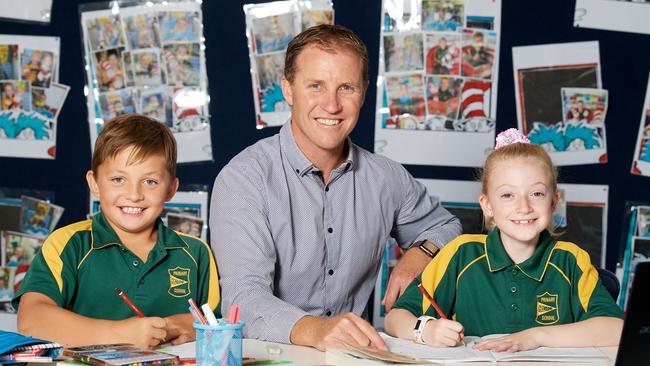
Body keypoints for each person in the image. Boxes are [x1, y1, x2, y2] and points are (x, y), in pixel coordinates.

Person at [210, 24, 461, 351]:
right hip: (274, 356)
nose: (331, 105)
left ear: (364, 91)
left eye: (346, 88)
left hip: (357, 357)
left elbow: (447, 225)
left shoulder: (387, 177)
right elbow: (242, 297)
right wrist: (316, 330)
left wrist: (421, 252)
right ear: (288, 89)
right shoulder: (243, 179)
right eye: (315, 85)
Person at [385, 128, 623, 351]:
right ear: (487, 206)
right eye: (508, 195)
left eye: (537, 193)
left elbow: (616, 328)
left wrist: (536, 336)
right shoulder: (460, 254)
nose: (524, 207)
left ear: (553, 203)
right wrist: (426, 330)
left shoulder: (571, 259)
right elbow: (395, 319)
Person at [13, 114, 220, 349]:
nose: (134, 194)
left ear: (171, 189)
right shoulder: (69, 244)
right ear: (94, 184)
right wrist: (120, 333)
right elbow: (31, 321)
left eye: (150, 181)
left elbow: (221, 322)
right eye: (118, 179)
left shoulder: (196, 252)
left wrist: (185, 324)